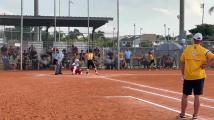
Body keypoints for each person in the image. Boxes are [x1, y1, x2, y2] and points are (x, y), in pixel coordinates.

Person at [177, 33, 214, 120]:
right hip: (199, 76)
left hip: (188, 76)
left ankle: (182, 115)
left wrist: (182, 74)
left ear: (193, 40)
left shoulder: (187, 50)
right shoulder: (204, 50)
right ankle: (195, 116)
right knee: (197, 96)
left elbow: (182, 62)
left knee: (185, 95)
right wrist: (207, 66)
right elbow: (213, 57)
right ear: (200, 41)